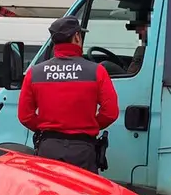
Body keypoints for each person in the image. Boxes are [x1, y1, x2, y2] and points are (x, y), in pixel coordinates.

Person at [18, 16, 119, 174]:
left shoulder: (34, 73)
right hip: (83, 150)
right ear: (77, 37)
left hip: (48, 148)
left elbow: (25, 116)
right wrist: (89, 125)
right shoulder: (97, 71)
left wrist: (48, 127)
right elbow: (110, 112)